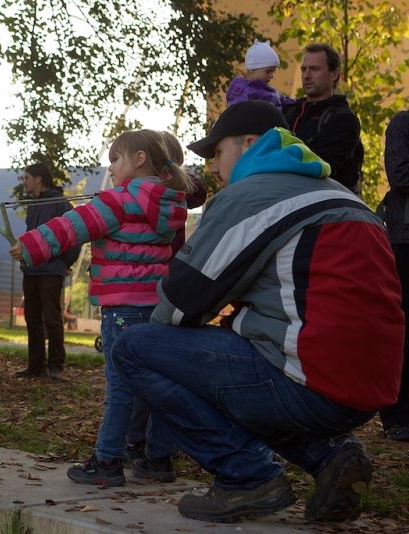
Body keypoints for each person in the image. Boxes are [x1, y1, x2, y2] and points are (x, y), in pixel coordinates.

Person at [109, 100, 403, 523]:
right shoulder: (340, 194)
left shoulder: (251, 195)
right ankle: (329, 456)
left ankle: (245, 475)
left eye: (216, 151)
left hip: (308, 383)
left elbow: (178, 306)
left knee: (136, 347)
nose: (211, 165)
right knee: (245, 358)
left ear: (249, 144)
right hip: (369, 394)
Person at [10, 130, 190, 487]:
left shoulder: (118, 201)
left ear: (139, 159)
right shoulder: (170, 202)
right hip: (156, 307)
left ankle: (107, 460)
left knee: (121, 388)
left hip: (121, 309)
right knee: (158, 386)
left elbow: (72, 226)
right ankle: (159, 459)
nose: (112, 166)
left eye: (115, 159)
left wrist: (29, 246)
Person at [123, 131, 207, 479]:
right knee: (163, 374)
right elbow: (197, 190)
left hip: (148, 292)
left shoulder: (154, 195)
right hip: (168, 289)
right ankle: (156, 452)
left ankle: (139, 445)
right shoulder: (172, 196)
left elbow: (198, 189)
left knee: (139, 372)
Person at [14, 163, 80, 379]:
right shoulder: (33, 205)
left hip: (51, 270)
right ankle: (36, 367)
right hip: (31, 270)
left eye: (27, 177)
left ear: (39, 179)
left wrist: (64, 263)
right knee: (32, 319)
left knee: (52, 318)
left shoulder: (59, 203)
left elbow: (76, 233)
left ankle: (55, 367)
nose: (24, 182)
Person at [283, 43, 363, 194]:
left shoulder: (344, 120)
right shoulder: (289, 113)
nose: (306, 75)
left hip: (323, 208)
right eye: (303, 69)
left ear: (334, 74)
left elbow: (320, 166)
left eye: (314, 69)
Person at [380, 110, 409, 441]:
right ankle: (397, 415)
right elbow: (400, 174)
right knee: (404, 330)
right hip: (405, 240)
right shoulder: (402, 124)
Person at [226, 40, 295, 111]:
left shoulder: (265, 89)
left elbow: (281, 100)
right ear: (252, 69)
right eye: (268, 71)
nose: (272, 76)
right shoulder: (242, 92)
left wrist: (297, 103)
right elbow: (236, 112)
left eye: (273, 72)